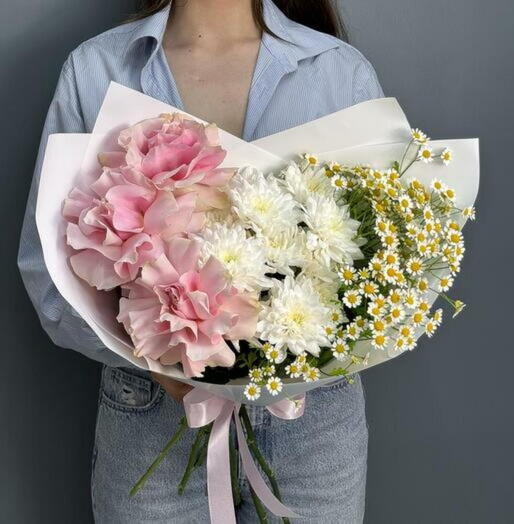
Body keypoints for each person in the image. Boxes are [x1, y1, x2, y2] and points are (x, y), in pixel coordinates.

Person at [18, 1, 384, 522]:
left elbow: (379, 261)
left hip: (312, 420)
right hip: (151, 411)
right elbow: (45, 269)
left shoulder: (339, 71)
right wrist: (161, 360)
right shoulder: (95, 69)